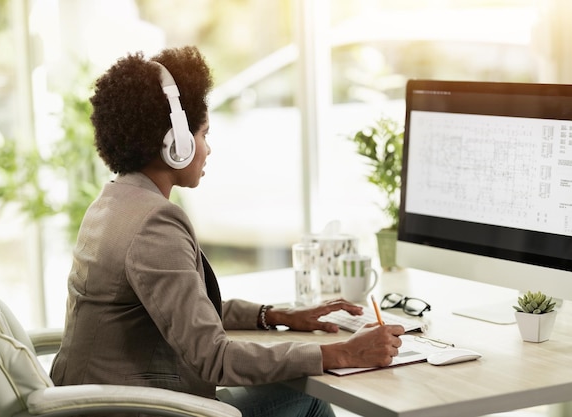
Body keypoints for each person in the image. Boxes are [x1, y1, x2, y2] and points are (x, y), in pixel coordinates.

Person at [49, 45, 405, 417]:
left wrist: (278, 316)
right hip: (138, 409)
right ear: (177, 145)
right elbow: (213, 357)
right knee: (310, 397)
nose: (208, 149)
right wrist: (343, 352)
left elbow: (184, 309)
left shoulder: (113, 203)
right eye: (204, 134)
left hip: (97, 402)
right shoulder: (155, 224)